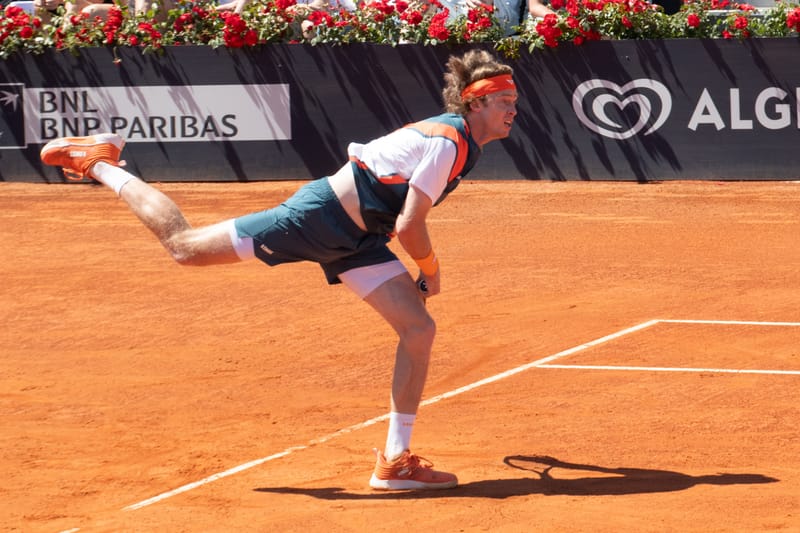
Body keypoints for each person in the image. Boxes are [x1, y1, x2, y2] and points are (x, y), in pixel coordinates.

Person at [39, 49, 518, 491]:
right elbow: (412, 224)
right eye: (503, 100)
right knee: (185, 248)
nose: (512, 108)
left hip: (359, 240)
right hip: (318, 217)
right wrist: (431, 270)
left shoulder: (465, 145)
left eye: (513, 100)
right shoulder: (449, 140)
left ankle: (394, 461)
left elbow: (401, 216)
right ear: (475, 105)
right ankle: (101, 162)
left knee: (418, 328)